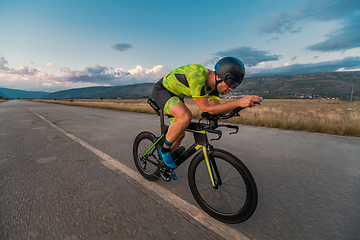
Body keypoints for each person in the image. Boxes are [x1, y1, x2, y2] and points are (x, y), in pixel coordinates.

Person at [152, 57, 260, 173]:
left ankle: (163, 163)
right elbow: (206, 109)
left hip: (176, 95)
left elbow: (216, 109)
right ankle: (164, 150)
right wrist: (238, 101)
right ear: (218, 76)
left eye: (235, 85)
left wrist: (240, 106)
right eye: (230, 82)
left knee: (179, 134)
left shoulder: (214, 86)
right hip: (162, 90)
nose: (231, 88)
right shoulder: (197, 75)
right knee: (185, 116)